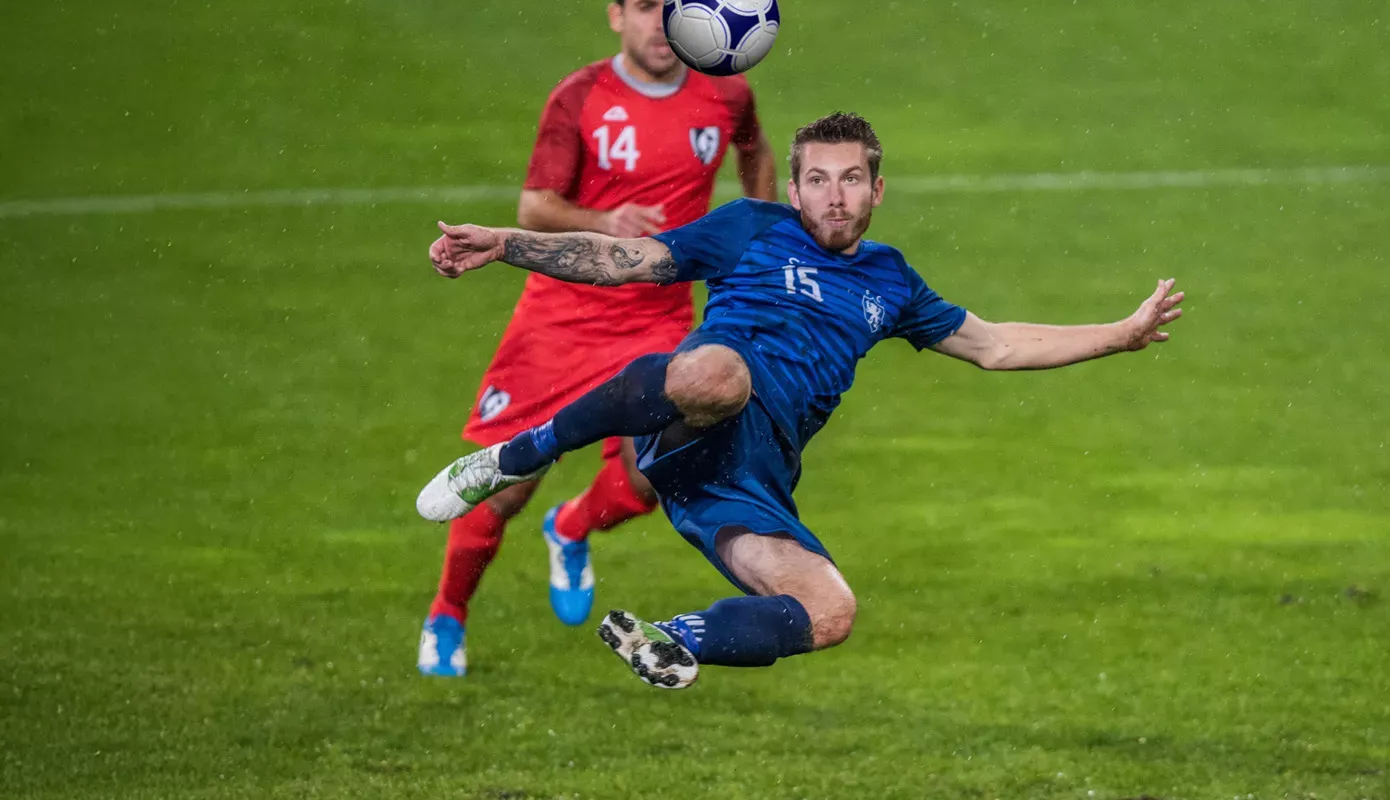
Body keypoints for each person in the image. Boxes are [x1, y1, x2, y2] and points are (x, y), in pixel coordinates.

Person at [418, 112, 1184, 689]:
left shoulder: (892, 281)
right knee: (720, 376)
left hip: (747, 477)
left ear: (878, 189)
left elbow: (997, 346)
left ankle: (675, 638)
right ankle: (518, 454)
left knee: (829, 610)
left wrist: (1119, 334)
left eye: (851, 179)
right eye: (817, 179)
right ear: (792, 188)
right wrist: (508, 242)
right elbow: (623, 260)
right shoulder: (751, 228)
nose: (835, 196)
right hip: (691, 409)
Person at [417, 0, 778, 677]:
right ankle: (447, 615)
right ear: (617, 16)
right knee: (505, 484)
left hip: (659, 319)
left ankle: (572, 526)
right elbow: (533, 207)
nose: (657, 23)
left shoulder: (725, 93)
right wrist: (602, 220)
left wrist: (762, 229)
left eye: (668, 6)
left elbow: (755, 151)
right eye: (643, 7)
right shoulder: (578, 98)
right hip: (561, 318)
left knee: (655, 481)